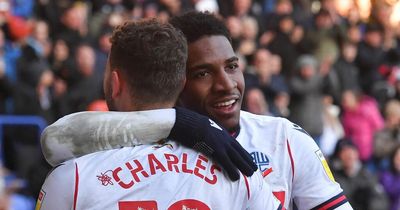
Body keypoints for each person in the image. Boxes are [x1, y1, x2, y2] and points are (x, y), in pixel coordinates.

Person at [41, 12, 352, 210]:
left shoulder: (285, 138)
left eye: (232, 66)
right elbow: (56, 140)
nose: (226, 84)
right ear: (179, 81)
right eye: (203, 73)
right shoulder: (244, 180)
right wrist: (183, 124)